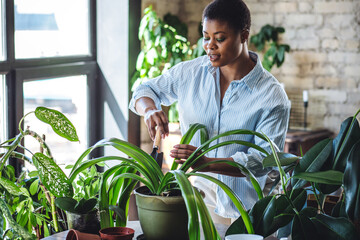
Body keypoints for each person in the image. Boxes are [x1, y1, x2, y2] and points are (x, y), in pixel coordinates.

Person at [129, 0, 290, 223]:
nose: (210, 46)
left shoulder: (271, 96)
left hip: (246, 215)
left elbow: (264, 161)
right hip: (195, 207)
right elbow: (144, 89)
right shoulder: (190, 73)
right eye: (206, 37)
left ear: (244, 36)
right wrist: (149, 110)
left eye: (220, 38)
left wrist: (208, 162)